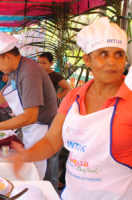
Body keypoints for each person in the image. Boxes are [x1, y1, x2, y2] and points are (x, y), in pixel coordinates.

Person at [10, 17, 132, 200]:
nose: (112, 62)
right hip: (72, 195)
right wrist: (26, 156)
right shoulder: (74, 96)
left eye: (119, 54)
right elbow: (52, 141)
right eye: (104, 54)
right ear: (87, 59)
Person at [0, 33, 59, 186]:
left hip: (45, 129)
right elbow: (7, 91)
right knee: (31, 168)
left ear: (8, 57)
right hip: (34, 126)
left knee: (43, 178)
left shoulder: (29, 73)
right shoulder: (16, 69)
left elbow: (30, 116)